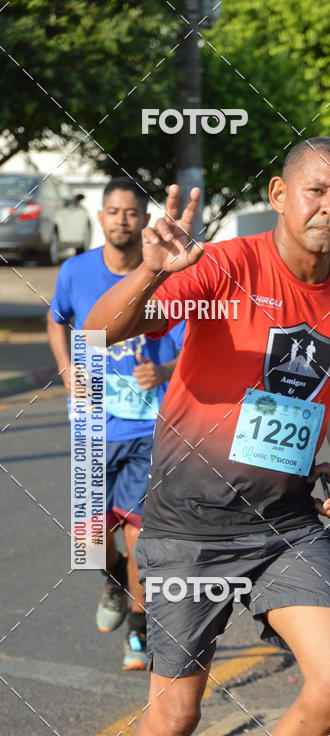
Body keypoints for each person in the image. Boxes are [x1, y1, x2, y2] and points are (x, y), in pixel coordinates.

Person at [74, 136, 330, 736]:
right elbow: (102, 332)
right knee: (175, 712)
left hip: (285, 522)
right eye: (317, 190)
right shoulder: (226, 267)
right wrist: (152, 269)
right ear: (278, 194)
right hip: (189, 526)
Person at [47, 177, 185, 670]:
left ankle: (138, 634)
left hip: (148, 429)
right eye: (113, 211)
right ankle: (112, 583)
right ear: (101, 216)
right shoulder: (75, 272)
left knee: (138, 538)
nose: (121, 220)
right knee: (91, 541)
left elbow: (193, 340)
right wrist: (67, 369)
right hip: (90, 427)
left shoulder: (167, 277)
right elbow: (57, 318)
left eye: (130, 212)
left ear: (142, 219)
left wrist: (165, 370)